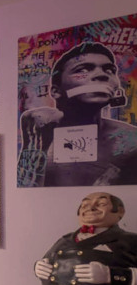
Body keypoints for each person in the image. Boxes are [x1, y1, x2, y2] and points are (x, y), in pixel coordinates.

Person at [18, 42, 137, 187]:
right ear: (56, 91)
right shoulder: (39, 130)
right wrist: (34, 146)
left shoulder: (130, 140)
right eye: (83, 69)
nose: (102, 75)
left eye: (109, 70)